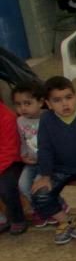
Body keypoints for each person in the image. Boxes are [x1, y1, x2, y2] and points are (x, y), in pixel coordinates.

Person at [30, 76, 76, 244]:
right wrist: (46, 175)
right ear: (47, 104)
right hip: (59, 169)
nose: (65, 104)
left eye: (68, 98)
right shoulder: (47, 120)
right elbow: (45, 148)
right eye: (57, 100)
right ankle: (65, 220)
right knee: (40, 195)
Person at [11, 81, 45, 224]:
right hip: (30, 162)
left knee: (38, 184)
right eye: (18, 104)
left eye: (27, 103)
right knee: (23, 185)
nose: (22, 108)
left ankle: (56, 205)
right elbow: (23, 141)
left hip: (47, 162)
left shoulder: (48, 118)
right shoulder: (20, 121)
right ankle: (40, 209)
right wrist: (23, 156)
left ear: (40, 102)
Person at [0, 98, 26, 235]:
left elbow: (9, 150)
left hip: (11, 161)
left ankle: (17, 219)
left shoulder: (6, 116)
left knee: (6, 186)